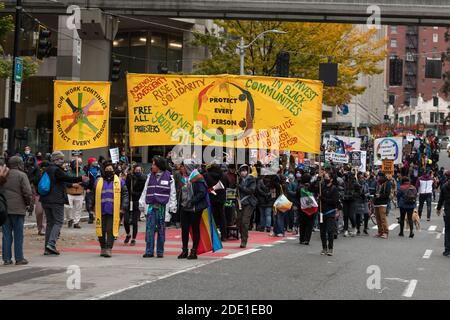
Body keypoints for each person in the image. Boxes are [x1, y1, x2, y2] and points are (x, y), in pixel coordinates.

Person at [40, 151, 88, 255]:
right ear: (55, 160)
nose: (62, 161)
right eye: (60, 159)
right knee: (58, 222)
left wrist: (72, 183)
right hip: (56, 200)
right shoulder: (56, 170)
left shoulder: (46, 169)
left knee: (50, 223)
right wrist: (80, 178)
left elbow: (62, 181)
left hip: (45, 200)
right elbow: (66, 178)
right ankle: (51, 244)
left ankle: (47, 248)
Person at [139, 156, 176, 258]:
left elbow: (173, 193)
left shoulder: (169, 177)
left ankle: (160, 251)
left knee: (161, 230)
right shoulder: (149, 176)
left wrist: (173, 206)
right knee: (149, 229)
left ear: (159, 166)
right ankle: (149, 251)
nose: (152, 166)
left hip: (162, 207)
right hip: (151, 206)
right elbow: (145, 190)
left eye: (154, 164)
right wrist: (141, 203)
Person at [1, 156, 33, 265]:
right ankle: (19, 258)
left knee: (6, 234)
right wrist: (28, 204)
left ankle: (6, 259)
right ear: (20, 164)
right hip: (18, 209)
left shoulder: (3, 174)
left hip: (4, 209)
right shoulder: (22, 175)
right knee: (18, 235)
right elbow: (28, 192)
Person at [94, 162, 128, 258]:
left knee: (110, 230)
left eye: (110, 169)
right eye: (107, 169)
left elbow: (125, 195)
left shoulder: (120, 181)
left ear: (114, 170)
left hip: (114, 210)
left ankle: (109, 248)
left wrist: (123, 207)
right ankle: (103, 247)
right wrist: (90, 206)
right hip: (101, 210)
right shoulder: (98, 181)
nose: (109, 171)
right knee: (100, 230)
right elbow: (93, 194)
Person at [177, 160, 208, 259]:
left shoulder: (198, 178)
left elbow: (202, 193)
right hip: (184, 207)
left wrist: (192, 201)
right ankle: (184, 250)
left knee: (195, 229)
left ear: (189, 167)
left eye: (184, 166)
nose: (182, 168)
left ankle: (194, 251)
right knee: (184, 229)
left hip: (195, 208)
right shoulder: (184, 178)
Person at [204, 164, 228, 241]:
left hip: (211, 198)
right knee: (222, 217)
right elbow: (227, 185)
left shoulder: (206, 175)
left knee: (212, 217)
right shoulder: (223, 175)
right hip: (221, 199)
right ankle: (224, 235)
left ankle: (213, 235)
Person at [125, 164, 147, 246]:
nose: (137, 171)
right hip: (129, 201)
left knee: (134, 222)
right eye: (136, 170)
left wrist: (135, 193)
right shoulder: (130, 177)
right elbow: (126, 187)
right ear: (134, 170)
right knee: (126, 220)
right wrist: (128, 177)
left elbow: (143, 192)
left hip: (137, 202)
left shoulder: (144, 179)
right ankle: (128, 234)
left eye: (139, 170)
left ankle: (133, 239)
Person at [319, 172, 339, 256]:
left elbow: (334, 201)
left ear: (331, 179)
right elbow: (313, 188)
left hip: (330, 212)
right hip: (322, 212)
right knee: (322, 232)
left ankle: (330, 248)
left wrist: (323, 199)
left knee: (330, 231)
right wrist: (317, 180)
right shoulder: (322, 187)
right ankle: (324, 248)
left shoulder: (334, 189)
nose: (325, 179)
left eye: (327, 177)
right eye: (324, 177)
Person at [236, 164, 257, 248]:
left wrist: (241, 187)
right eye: (241, 170)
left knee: (245, 222)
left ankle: (244, 240)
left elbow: (251, 191)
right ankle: (243, 235)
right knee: (238, 222)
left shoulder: (252, 179)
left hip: (249, 203)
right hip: (240, 203)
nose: (243, 172)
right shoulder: (238, 180)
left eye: (245, 170)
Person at [65, 158, 85, 229]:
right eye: (76, 164)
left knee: (78, 209)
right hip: (70, 193)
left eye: (78, 164)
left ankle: (76, 222)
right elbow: (65, 182)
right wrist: (72, 185)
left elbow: (86, 181)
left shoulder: (82, 172)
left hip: (79, 193)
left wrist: (82, 183)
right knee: (68, 207)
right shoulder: (68, 173)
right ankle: (70, 219)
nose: (77, 166)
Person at [297, 173, 316, 245]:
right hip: (311, 207)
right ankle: (307, 239)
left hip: (302, 208)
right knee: (309, 224)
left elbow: (296, 196)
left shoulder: (299, 187)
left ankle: (301, 239)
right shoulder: (311, 187)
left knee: (302, 224)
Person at [374, 172, 392, 239]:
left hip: (383, 202)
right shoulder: (377, 183)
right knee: (378, 218)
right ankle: (380, 232)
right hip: (376, 202)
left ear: (382, 177)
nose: (378, 177)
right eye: (377, 176)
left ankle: (385, 232)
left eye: (379, 176)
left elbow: (387, 194)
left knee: (383, 218)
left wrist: (380, 195)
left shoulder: (387, 183)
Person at [437, 170, 450, 256]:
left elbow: (441, 199)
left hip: (448, 211)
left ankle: (447, 250)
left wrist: (438, 208)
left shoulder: (444, 186)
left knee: (448, 230)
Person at [342, 166, 357, 237]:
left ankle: (354, 227)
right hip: (345, 199)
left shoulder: (354, 182)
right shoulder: (343, 182)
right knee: (345, 215)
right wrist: (341, 195)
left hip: (352, 200)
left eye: (348, 176)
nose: (346, 177)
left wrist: (354, 195)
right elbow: (340, 188)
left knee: (351, 215)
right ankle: (345, 230)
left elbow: (360, 190)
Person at [85, 157, 100, 224]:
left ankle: (97, 217)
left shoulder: (98, 169)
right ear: (90, 162)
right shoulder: (87, 169)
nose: (95, 162)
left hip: (98, 188)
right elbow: (85, 179)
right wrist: (87, 187)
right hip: (90, 189)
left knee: (96, 203)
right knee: (89, 204)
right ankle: (91, 217)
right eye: (94, 161)